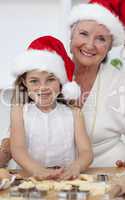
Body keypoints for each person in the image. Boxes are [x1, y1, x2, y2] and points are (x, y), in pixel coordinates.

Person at [10, 35, 93, 180]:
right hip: (29, 178)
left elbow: (86, 152)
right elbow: (18, 149)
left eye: (50, 80)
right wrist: (37, 170)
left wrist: (77, 166)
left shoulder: (74, 113)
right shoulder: (19, 112)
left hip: (64, 178)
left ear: (61, 81)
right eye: (34, 81)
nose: (43, 87)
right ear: (24, 83)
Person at [68, 0, 125, 167]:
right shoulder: (48, 72)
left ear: (109, 47)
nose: (90, 45)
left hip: (108, 171)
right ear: (71, 36)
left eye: (101, 39)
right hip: (50, 174)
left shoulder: (120, 81)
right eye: (84, 34)